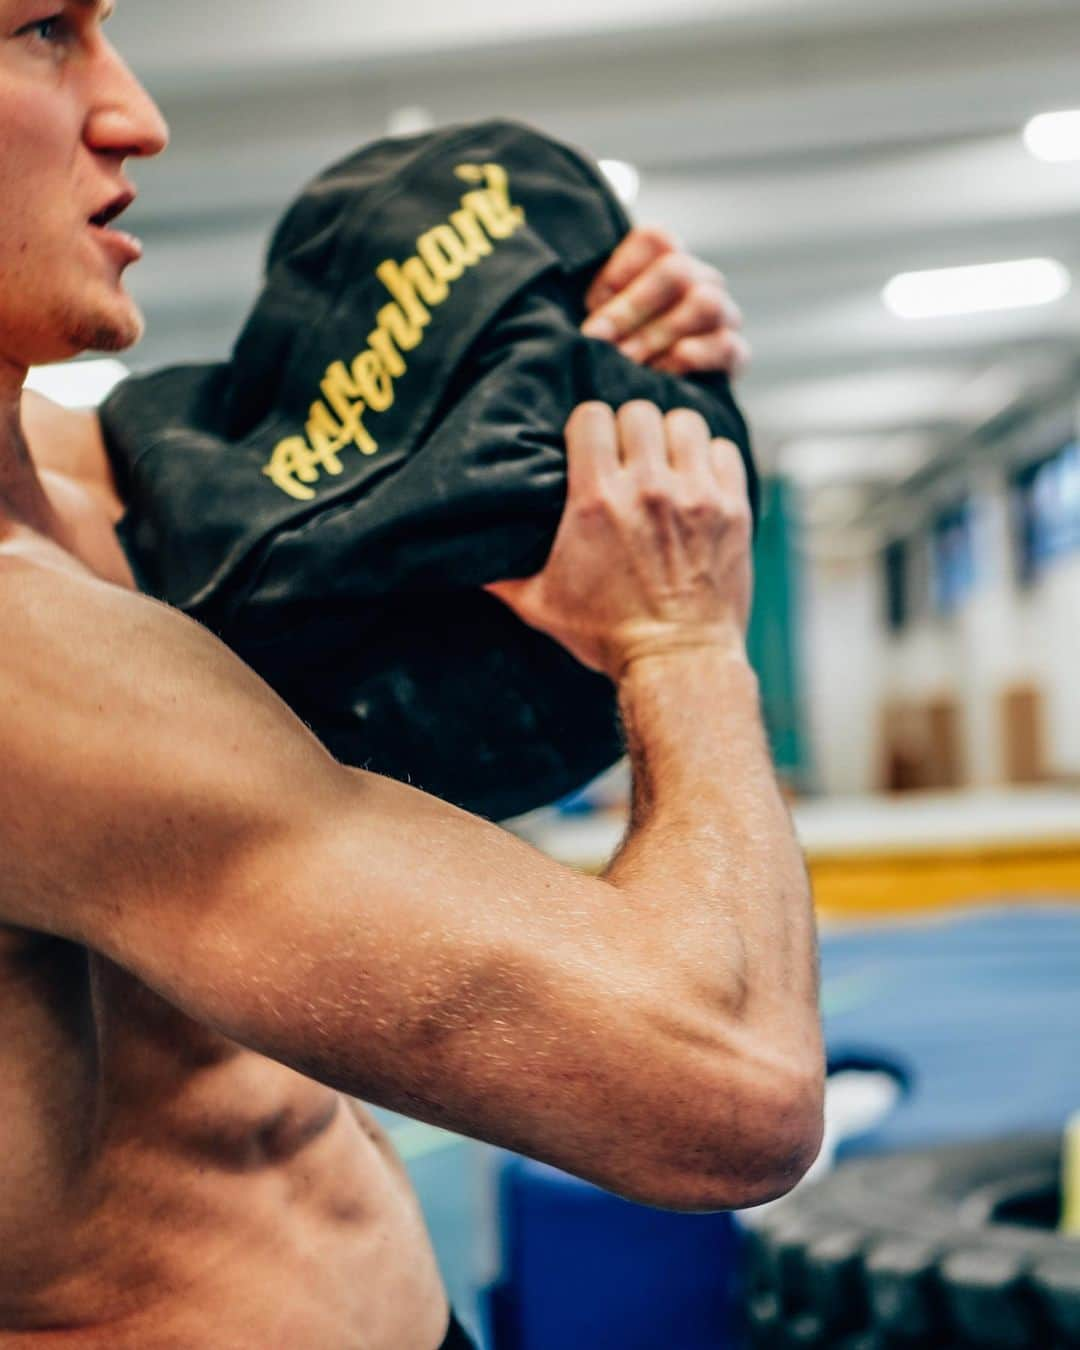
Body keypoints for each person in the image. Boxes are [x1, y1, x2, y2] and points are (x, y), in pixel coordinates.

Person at [0, 3, 824, 1346]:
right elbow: (728, 1091)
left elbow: (359, 662)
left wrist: (607, 372)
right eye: (44, 30)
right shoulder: (24, 658)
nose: (135, 112)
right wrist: (681, 638)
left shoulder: (94, 481)